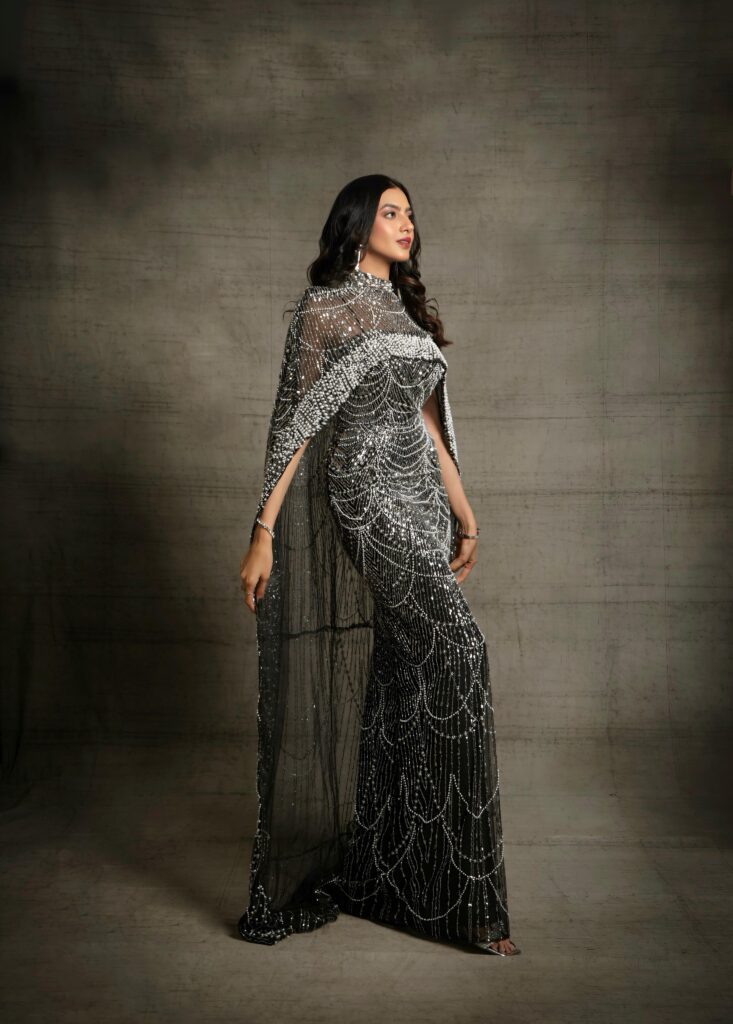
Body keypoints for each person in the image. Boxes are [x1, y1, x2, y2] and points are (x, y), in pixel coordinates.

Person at [237, 174, 521, 956]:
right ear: (356, 223)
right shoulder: (326, 308)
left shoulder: (405, 310)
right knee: (461, 653)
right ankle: (472, 906)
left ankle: (391, 875)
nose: (406, 224)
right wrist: (262, 530)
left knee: (407, 671)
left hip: (421, 496)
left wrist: (465, 515)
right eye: (390, 212)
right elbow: (296, 424)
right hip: (364, 491)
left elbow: (429, 426)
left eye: (410, 214)